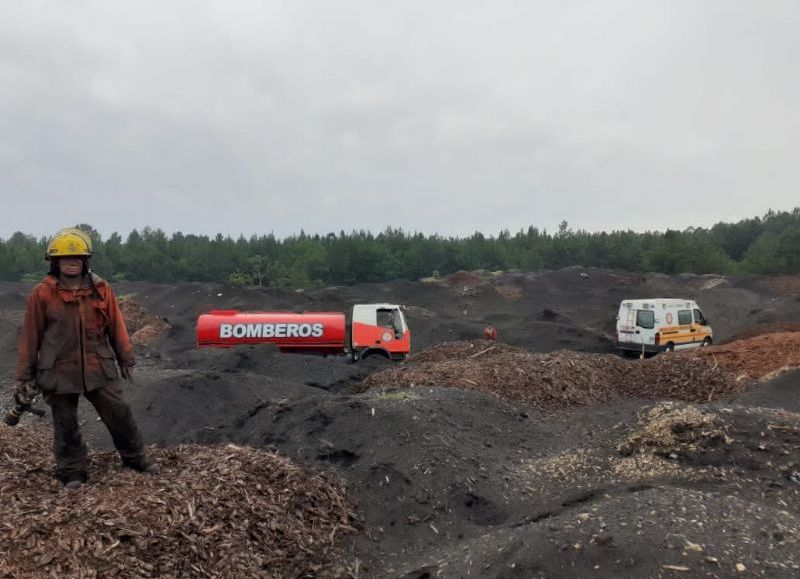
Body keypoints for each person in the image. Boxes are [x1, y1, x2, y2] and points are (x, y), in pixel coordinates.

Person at [14, 227, 158, 489]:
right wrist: (24, 376)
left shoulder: (101, 289)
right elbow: (30, 336)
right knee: (65, 421)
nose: (72, 262)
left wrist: (126, 357)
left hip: (97, 364)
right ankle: (72, 471)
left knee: (119, 412)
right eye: (66, 259)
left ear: (85, 260)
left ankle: (135, 458)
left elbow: (116, 325)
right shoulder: (43, 293)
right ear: (54, 262)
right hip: (57, 369)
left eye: (78, 258)